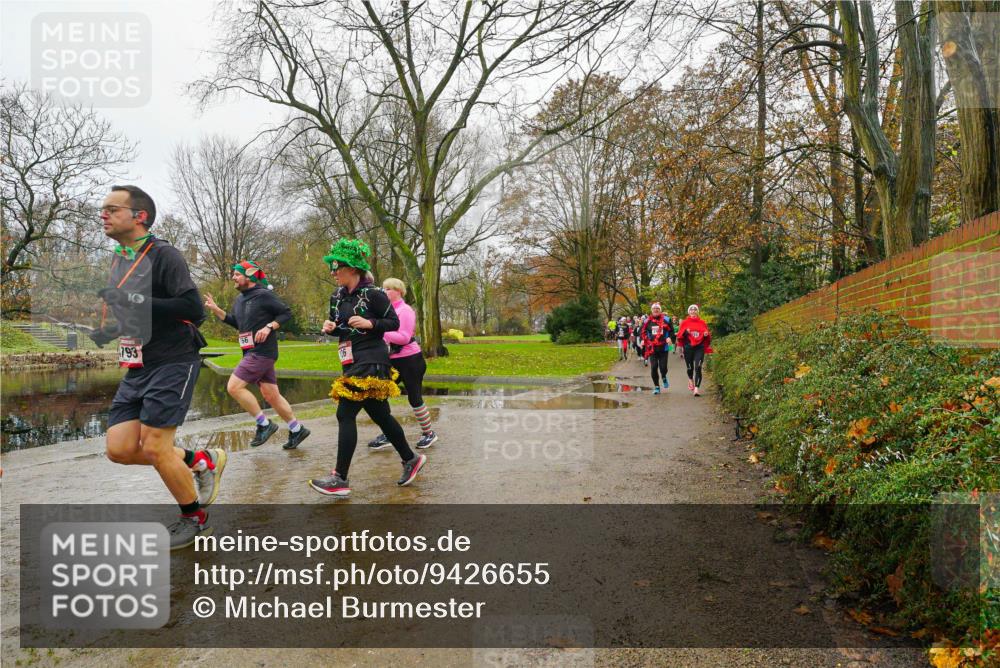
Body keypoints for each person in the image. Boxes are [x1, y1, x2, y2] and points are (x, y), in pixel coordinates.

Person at [91, 185, 223, 550]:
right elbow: (137, 310)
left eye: (111, 209)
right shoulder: (119, 258)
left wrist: (131, 298)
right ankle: (200, 459)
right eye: (102, 210)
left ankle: (194, 519)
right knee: (118, 448)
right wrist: (110, 331)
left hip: (174, 359)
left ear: (140, 216)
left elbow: (192, 309)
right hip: (139, 363)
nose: (103, 215)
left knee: (154, 445)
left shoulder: (165, 254)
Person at [309, 239, 426, 497]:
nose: (333, 272)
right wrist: (330, 329)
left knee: (345, 414)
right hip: (350, 359)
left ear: (352, 268)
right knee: (381, 415)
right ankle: (410, 458)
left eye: (337, 267)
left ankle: (339, 477)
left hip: (372, 359)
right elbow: (341, 327)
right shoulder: (336, 296)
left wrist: (370, 322)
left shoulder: (374, 294)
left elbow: (393, 323)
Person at [203, 261, 310, 450]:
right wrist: (216, 309)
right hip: (251, 352)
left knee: (234, 387)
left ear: (249, 276)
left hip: (261, 352)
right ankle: (296, 429)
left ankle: (264, 424)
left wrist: (269, 327)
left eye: (237, 274)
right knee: (271, 395)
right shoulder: (240, 300)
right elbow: (237, 323)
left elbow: (286, 313)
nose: (233, 278)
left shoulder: (264, 295)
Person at [368, 277, 437, 451]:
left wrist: (379, 331)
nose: (384, 292)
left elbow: (404, 337)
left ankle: (429, 433)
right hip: (391, 360)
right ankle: (388, 432)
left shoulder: (405, 311)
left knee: (414, 398)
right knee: (380, 395)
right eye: (383, 289)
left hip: (411, 360)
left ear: (398, 291)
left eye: (388, 289)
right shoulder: (386, 311)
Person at [676, 304, 713, 396]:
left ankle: (696, 388)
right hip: (688, 347)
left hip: (699, 348)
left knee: (698, 367)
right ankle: (690, 379)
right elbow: (680, 335)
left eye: (695, 310)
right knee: (690, 368)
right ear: (689, 312)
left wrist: (705, 334)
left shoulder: (702, 322)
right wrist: (685, 332)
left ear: (697, 312)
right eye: (691, 310)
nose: (693, 311)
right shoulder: (684, 322)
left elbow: (707, 334)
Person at [639, 302, 675, 395]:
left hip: (663, 348)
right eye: (654, 309)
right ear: (652, 311)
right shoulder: (647, 321)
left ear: (660, 310)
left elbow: (672, 331)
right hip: (652, 348)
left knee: (663, 368)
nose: (656, 310)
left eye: (657, 309)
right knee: (654, 367)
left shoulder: (667, 319)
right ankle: (657, 387)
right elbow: (642, 331)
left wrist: (670, 338)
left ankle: (663, 376)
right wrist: (643, 340)